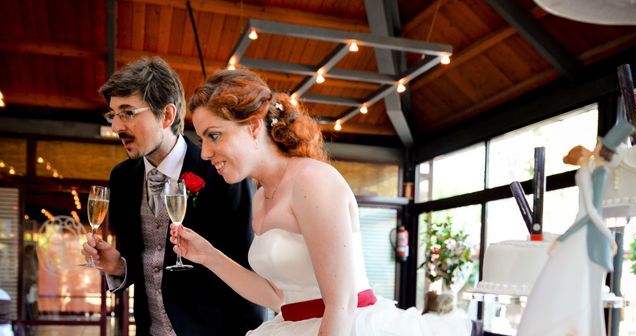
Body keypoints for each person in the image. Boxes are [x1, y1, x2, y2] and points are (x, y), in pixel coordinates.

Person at [169, 67, 468, 336]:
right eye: (202, 140)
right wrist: (208, 256)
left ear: (254, 126)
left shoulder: (312, 180)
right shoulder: (261, 197)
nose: (206, 153)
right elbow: (277, 295)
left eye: (215, 136)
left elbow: (342, 302)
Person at [82, 57, 265, 335]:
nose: (117, 126)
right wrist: (119, 266)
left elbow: (247, 265)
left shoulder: (221, 171)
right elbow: (142, 256)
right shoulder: (122, 178)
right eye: (113, 115)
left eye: (128, 113)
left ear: (166, 116)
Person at [518, 120, 634, 336]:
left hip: (585, 233)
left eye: (598, 145)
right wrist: (607, 237)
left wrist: (568, 238)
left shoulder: (595, 173)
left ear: (602, 150)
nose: (594, 148)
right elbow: (591, 211)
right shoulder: (592, 173)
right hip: (585, 232)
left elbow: (590, 211)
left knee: (575, 282)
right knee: (579, 284)